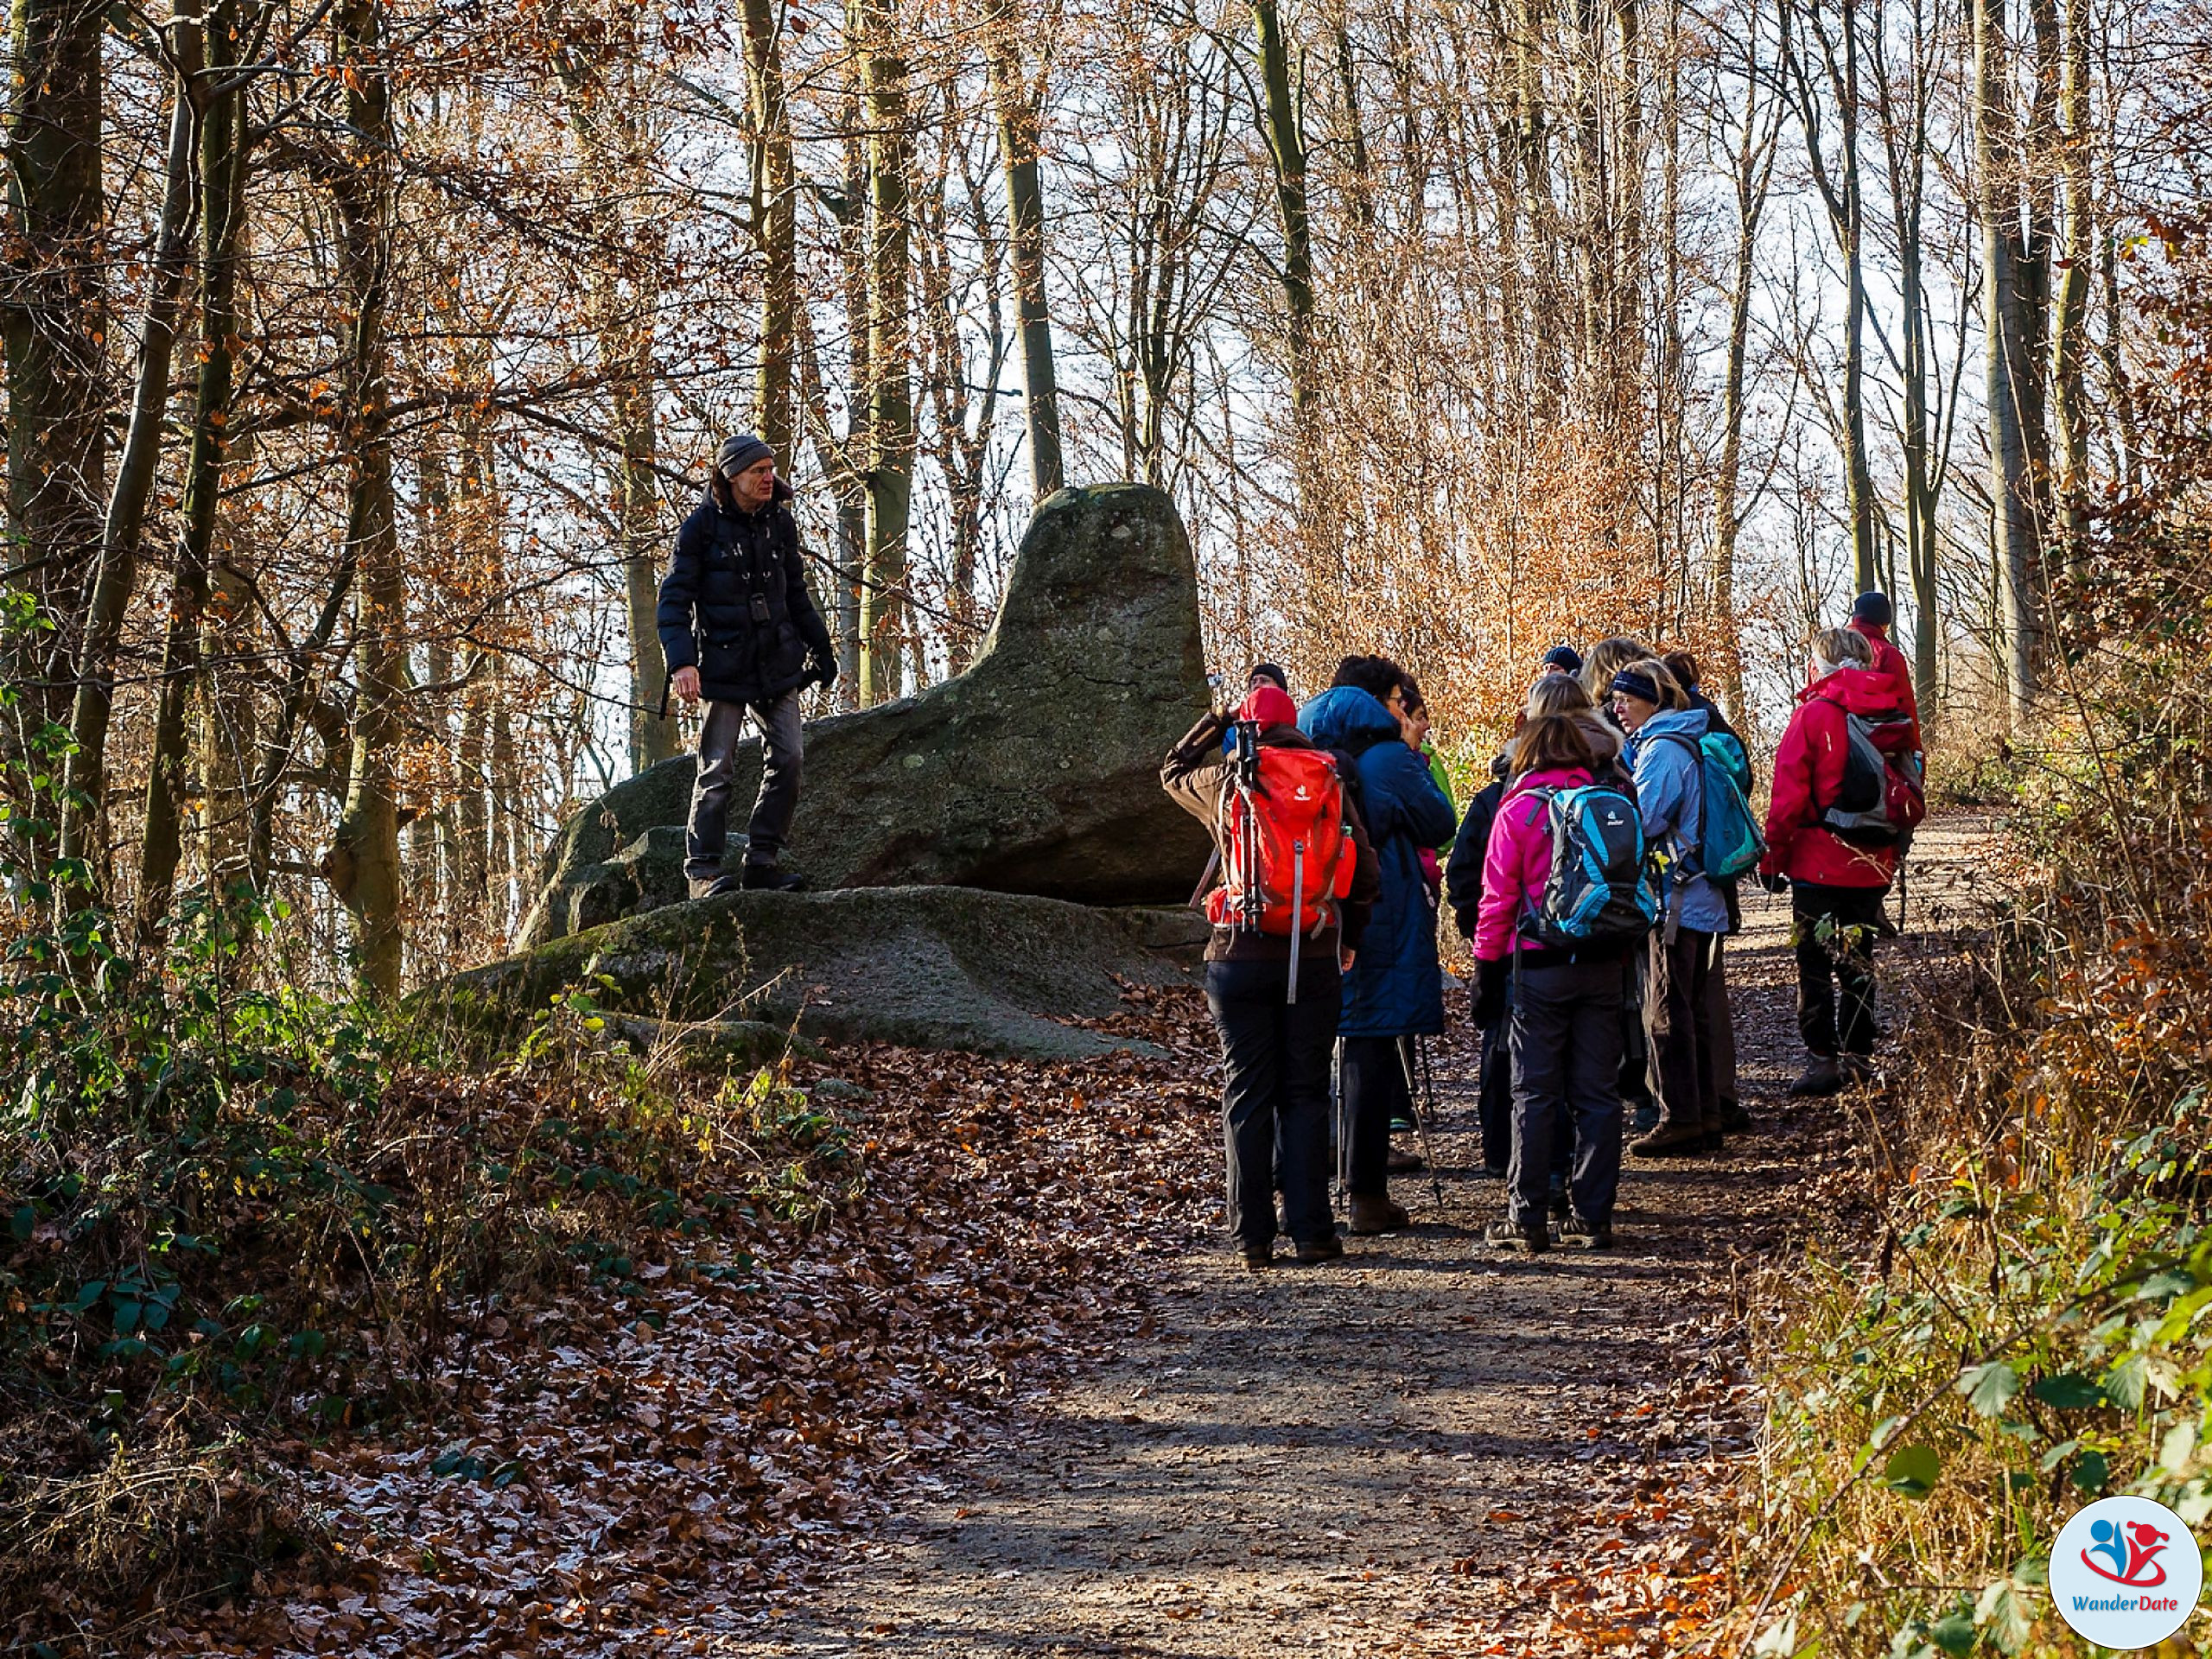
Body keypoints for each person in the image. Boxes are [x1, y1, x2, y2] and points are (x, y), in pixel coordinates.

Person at [1163, 684, 1381, 1268]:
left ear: (1245, 727)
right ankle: (1312, 1232)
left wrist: (1214, 720)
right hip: (1313, 956)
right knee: (1305, 1092)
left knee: (1246, 1093)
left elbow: (1171, 770)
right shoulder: (1328, 778)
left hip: (1238, 958)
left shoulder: (1227, 780)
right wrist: (1350, 939)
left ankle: (1252, 1238)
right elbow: (1364, 872)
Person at [1298, 657, 1459, 1234]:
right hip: (1376, 917)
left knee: (1308, 1055)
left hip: (1304, 918)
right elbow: (1442, 823)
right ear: (1385, 698)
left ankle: (1305, 1193)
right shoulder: (1389, 758)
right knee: (1368, 1046)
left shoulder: (1297, 749)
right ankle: (1366, 1194)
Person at [1469, 714, 1630, 1252]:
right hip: (1604, 961)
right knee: (1598, 1093)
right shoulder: (1608, 804)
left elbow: (1497, 900)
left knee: (1535, 1093)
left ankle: (1528, 1215)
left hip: (1538, 965)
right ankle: (1593, 1215)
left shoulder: (1518, 809)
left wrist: (1486, 970)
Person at [658, 433, 838, 895]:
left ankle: (762, 862)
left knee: (790, 758)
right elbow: (674, 603)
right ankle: (702, 874)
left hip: (776, 664)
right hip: (721, 667)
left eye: (771, 469)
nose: (768, 477)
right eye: (758, 470)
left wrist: (821, 649)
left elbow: (796, 594)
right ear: (731, 475)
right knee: (716, 769)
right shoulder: (698, 529)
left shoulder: (781, 524)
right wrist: (682, 664)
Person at [1758, 627, 1901, 1096]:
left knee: (1814, 963)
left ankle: (1822, 1062)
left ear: (1820, 664)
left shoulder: (1813, 714)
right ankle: (1859, 1058)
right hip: (1872, 860)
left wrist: (1772, 857)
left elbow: (1788, 797)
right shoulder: (1892, 711)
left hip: (1817, 862)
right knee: (1859, 961)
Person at [1611, 658, 1731, 1156]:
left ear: (1655, 700)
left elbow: (1648, 818)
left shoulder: (1661, 748)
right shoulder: (1683, 739)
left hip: (1675, 901)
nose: (1617, 707)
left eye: (1627, 698)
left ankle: (1679, 1117)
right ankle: (1703, 1114)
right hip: (1698, 895)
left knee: (1664, 1010)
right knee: (1689, 1007)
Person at [1661, 651, 1749, 1136]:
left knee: (1684, 996)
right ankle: (1718, 1099)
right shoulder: (1714, 725)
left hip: (1683, 884)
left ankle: (1695, 1106)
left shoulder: (1672, 740)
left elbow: (1651, 818)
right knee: (1705, 993)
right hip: (1715, 876)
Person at [1445, 747, 1513, 1179]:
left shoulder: (1494, 801)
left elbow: (1463, 872)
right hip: (1574, 946)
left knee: (1501, 1046)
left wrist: (1478, 930)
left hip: (1503, 946)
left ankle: (1501, 1151)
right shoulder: (1589, 786)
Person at [1846, 593, 1923, 755]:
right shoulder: (1887, 654)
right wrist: (1916, 755)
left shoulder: (1827, 651)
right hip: (1878, 752)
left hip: (1831, 749)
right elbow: (1905, 708)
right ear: (1885, 623)